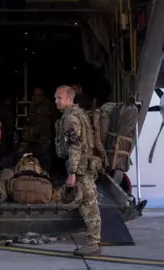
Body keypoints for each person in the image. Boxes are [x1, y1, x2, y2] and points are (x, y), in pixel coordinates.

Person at [54, 85, 102, 256]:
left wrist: (72, 172)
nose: (56, 101)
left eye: (59, 98)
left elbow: (75, 146)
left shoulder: (70, 119)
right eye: (56, 98)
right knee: (89, 204)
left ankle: (93, 243)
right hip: (86, 165)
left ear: (69, 99)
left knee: (88, 206)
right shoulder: (79, 114)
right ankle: (93, 242)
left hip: (80, 168)